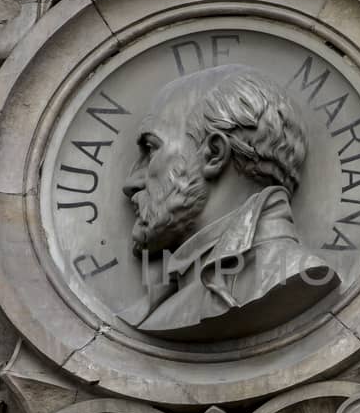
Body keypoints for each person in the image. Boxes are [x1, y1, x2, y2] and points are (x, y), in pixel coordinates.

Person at [118, 63, 340, 340]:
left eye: (151, 149)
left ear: (213, 154)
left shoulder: (286, 275)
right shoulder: (172, 293)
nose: (132, 183)